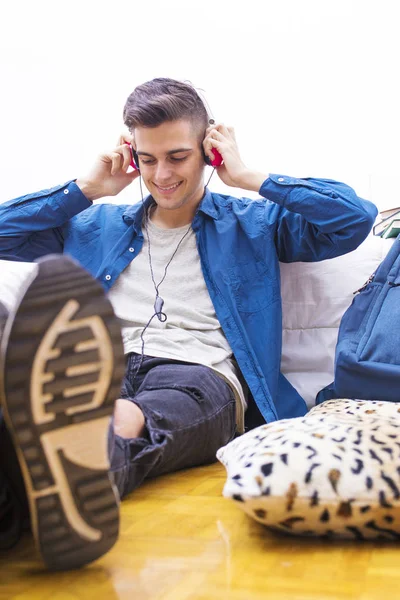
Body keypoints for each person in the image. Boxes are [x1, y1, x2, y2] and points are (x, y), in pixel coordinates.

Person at [0, 77, 378, 569]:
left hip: (199, 373)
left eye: (177, 157)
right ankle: (46, 476)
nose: (161, 175)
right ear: (131, 154)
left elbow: (352, 219)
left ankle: (74, 458)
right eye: (147, 159)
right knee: (92, 397)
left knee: (133, 415)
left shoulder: (255, 222)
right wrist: (84, 190)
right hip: (99, 368)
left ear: (208, 150)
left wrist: (248, 176)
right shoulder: (97, 224)